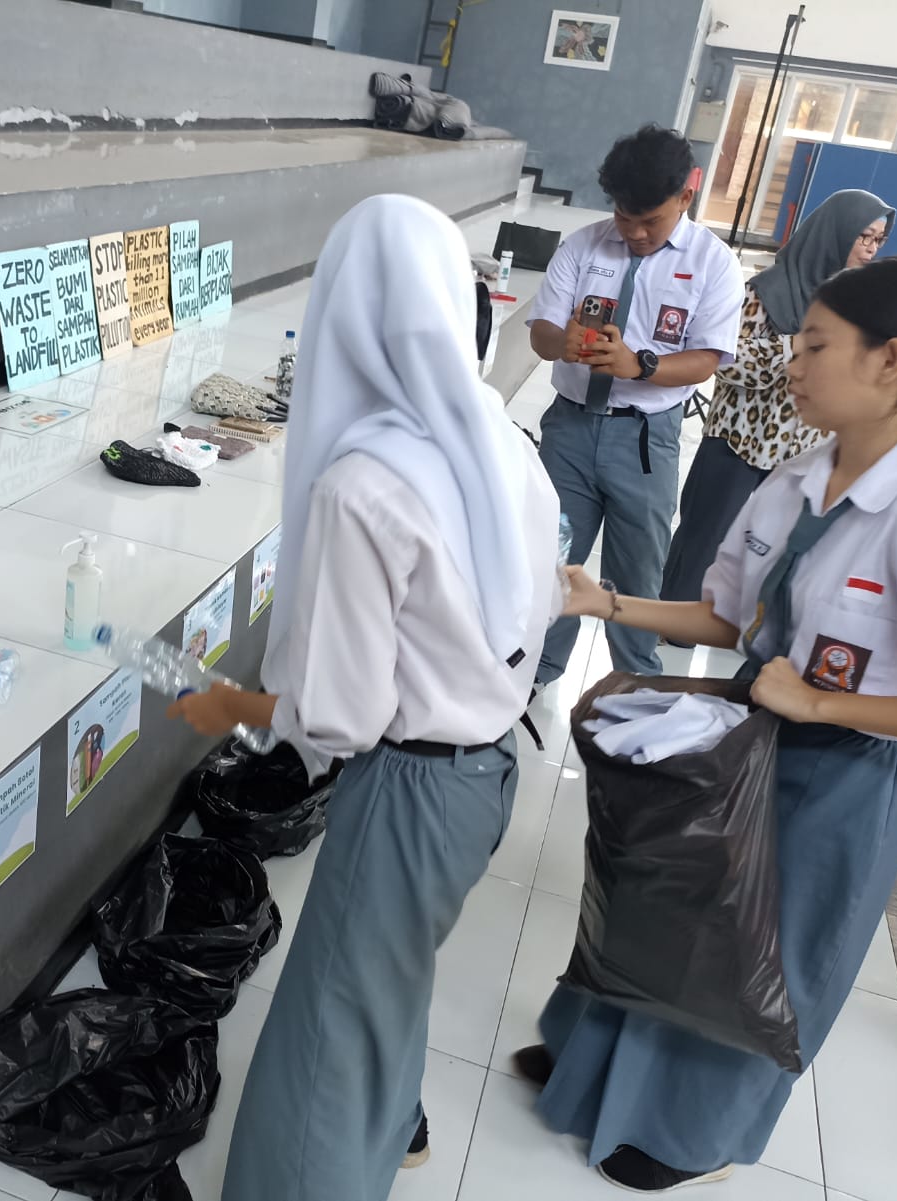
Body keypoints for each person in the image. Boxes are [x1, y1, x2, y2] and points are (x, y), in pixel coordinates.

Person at [511, 256, 897, 1193]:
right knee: (669, 904)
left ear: (890, 361)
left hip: (841, 777)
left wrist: (823, 703)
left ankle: (686, 1133)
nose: (792, 365)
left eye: (815, 348)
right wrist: (608, 603)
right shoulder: (798, 477)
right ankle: (596, 1065)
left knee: (761, 959)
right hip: (749, 742)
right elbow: (731, 617)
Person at [167, 194, 564, 1201]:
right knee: (388, 976)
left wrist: (236, 709)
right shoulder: (500, 440)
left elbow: (339, 715)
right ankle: (395, 1127)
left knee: (328, 1020)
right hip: (488, 770)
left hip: (410, 788)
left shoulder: (365, 484)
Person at [526, 123, 743, 687]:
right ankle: (537, 672)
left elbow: (707, 360)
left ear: (685, 198)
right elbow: (542, 333)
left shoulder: (714, 263)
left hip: (644, 439)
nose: (638, 232)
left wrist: (640, 365)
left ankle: (636, 682)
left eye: (653, 220)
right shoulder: (585, 245)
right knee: (552, 554)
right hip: (570, 429)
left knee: (638, 568)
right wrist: (562, 342)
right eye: (627, 217)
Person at [661, 189, 894, 605]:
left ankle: (750, 625)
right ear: (835, 234)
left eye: (879, 240)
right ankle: (675, 619)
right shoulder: (765, 290)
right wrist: (797, 347)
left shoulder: (856, 304)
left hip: (804, 449)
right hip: (739, 439)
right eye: (864, 237)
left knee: (781, 546)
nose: (871, 250)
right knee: (706, 537)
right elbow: (727, 360)